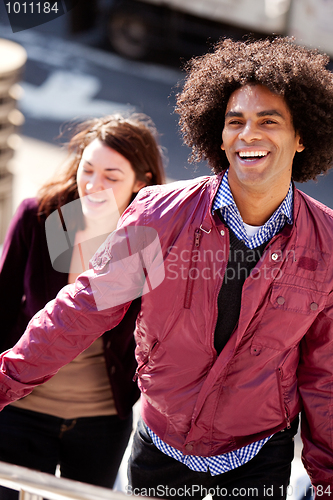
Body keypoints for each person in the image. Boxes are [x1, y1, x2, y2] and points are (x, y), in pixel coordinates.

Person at [0, 37, 332, 498]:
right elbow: (85, 306)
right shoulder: (159, 214)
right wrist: (3, 380)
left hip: (260, 457)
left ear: (301, 138)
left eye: (268, 121)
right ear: (219, 135)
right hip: (162, 449)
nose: (248, 134)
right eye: (235, 121)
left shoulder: (328, 243)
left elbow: (325, 377)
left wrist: (328, 483)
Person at [0, 113, 165, 494]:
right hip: (21, 408)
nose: (93, 185)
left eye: (112, 176)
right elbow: (4, 305)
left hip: (102, 419)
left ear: (143, 183)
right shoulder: (38, 216)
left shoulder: (151, 237)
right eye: (87, 169)